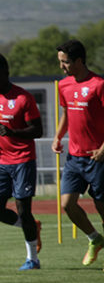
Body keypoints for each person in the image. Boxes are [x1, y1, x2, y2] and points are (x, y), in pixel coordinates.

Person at [0, 53, 43, 270]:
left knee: (23, 209)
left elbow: (38, 129)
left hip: (23, 160)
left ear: (6, 74)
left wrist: (13, 132)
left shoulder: (24, 98)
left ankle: (32, 259)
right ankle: (32, 227)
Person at [51, 39, 104, 268]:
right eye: (60, 62)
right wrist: (58, 135)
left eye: (66, 62)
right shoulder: (64, 85)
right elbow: (66, 113)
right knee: (66, 204)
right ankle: (95, 238)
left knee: (102, 206)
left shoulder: (99, 85)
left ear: (79, 61)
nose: (62, 67)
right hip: (74, 157)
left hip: (97, 157)